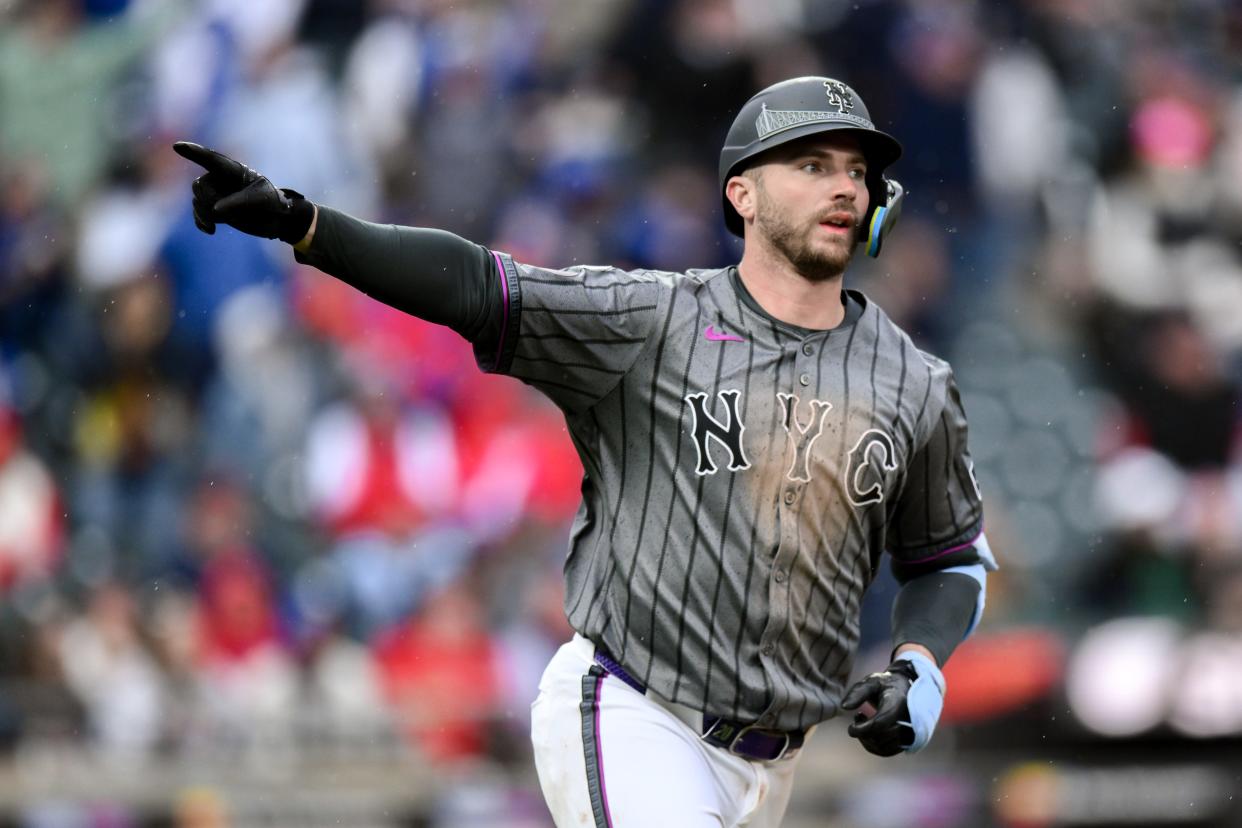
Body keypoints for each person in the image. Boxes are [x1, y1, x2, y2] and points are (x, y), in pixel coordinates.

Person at [174, 76, 997, 828]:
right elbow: (476, 285)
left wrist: (919, 664)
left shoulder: (914, 379)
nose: (843, 186)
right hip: (637, 712)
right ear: (741, 194)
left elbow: (948, 558)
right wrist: (304, 223)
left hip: (771, 764)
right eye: (812, 164)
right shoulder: (654, 322)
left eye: (856, 169)